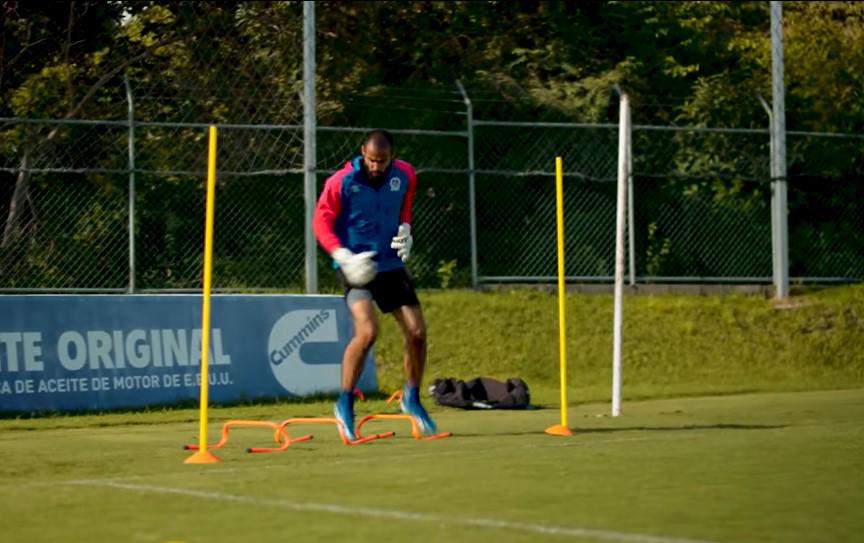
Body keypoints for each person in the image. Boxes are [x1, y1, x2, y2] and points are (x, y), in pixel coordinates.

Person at [313, 129, 436, 441]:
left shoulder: (405, 174)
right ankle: (344, 402)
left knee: (417, 333)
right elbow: (320, 220)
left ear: (391, 156)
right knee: (368, 332)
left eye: (382, 161)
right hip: (357, 267)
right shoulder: (341, 181)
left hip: (391, 265)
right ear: (361, 154)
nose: (377, 167)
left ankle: (411, 398)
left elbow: (405, 204)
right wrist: (341, 255)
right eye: (371, 160)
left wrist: (407, 228)